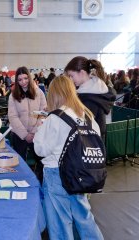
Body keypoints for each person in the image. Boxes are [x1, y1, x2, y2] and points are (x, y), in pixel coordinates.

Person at [33, 75, 104, 240]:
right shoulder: (88, 116)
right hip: (82, 174)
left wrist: (39, 130)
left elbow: (41, 149)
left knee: (59, 222)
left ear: (54, 93)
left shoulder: (54, 118)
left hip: (56, 174)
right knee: (84, 216)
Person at [8, 66, 47, 182]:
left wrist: (34, 132)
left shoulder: (39, 92)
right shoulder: (13, 95)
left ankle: (40, 184)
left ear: (30, 78)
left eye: (25, 78)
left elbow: (43, 113)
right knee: (19, 164)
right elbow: (12, 116)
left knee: (42, 162)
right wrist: (25, 135)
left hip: (37, 134)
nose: (23, 82)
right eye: (20, 80)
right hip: (19, 135)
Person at [64, 56, 116, 140]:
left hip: (89, 143)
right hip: (95, 143)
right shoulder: (95, 91)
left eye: (71, 76)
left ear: (82, 73)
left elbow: (82, 125)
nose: (70, 79)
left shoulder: (89, 97)